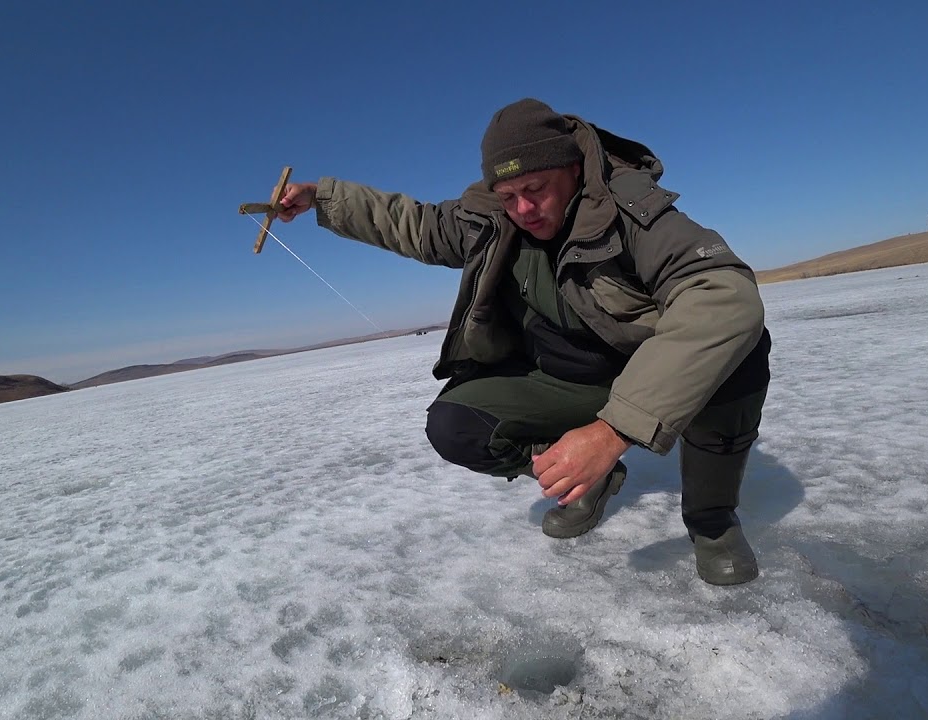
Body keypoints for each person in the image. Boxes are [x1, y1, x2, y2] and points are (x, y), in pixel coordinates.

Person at [274, 98, 771, 586]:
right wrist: (323, 198)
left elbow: (723, 295)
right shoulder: (491, 219)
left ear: (572, 170)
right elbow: (413, 223)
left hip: (640, 372)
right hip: (568, 380)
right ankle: (587, 481)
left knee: (739, 351)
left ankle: (713, 523)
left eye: (536, 188)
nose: (524, 209)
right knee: (457, 425)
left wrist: (613, 432)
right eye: (508, 195)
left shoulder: (630, 211)